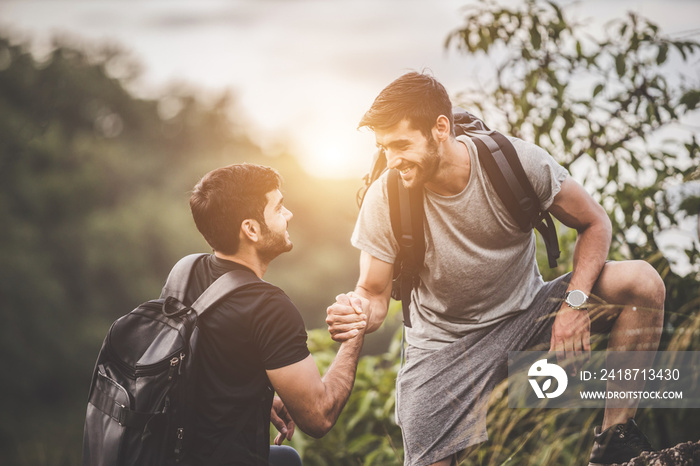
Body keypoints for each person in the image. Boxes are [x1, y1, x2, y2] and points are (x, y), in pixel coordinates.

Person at [325, 72, 666, 466]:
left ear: (441, 128)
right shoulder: (386, 198)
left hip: (528, 316)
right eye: (384, 147)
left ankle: (615, 442)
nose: (392, 159)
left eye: (401, 144)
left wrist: (574, 304)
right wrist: (355, 312)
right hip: (443, 348)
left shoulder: (515, 162)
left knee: (640, 281)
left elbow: (595, 223)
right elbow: (373, 291)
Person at [182, 163, 366, 465]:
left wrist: (252, 399)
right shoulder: (269, 307)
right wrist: (354, 335)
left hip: (172, 451)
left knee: (286, 459)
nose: (288, 214)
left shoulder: (185, 271)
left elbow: (199, 363)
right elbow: (319, 417)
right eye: (278, 207)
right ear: (251, 229)